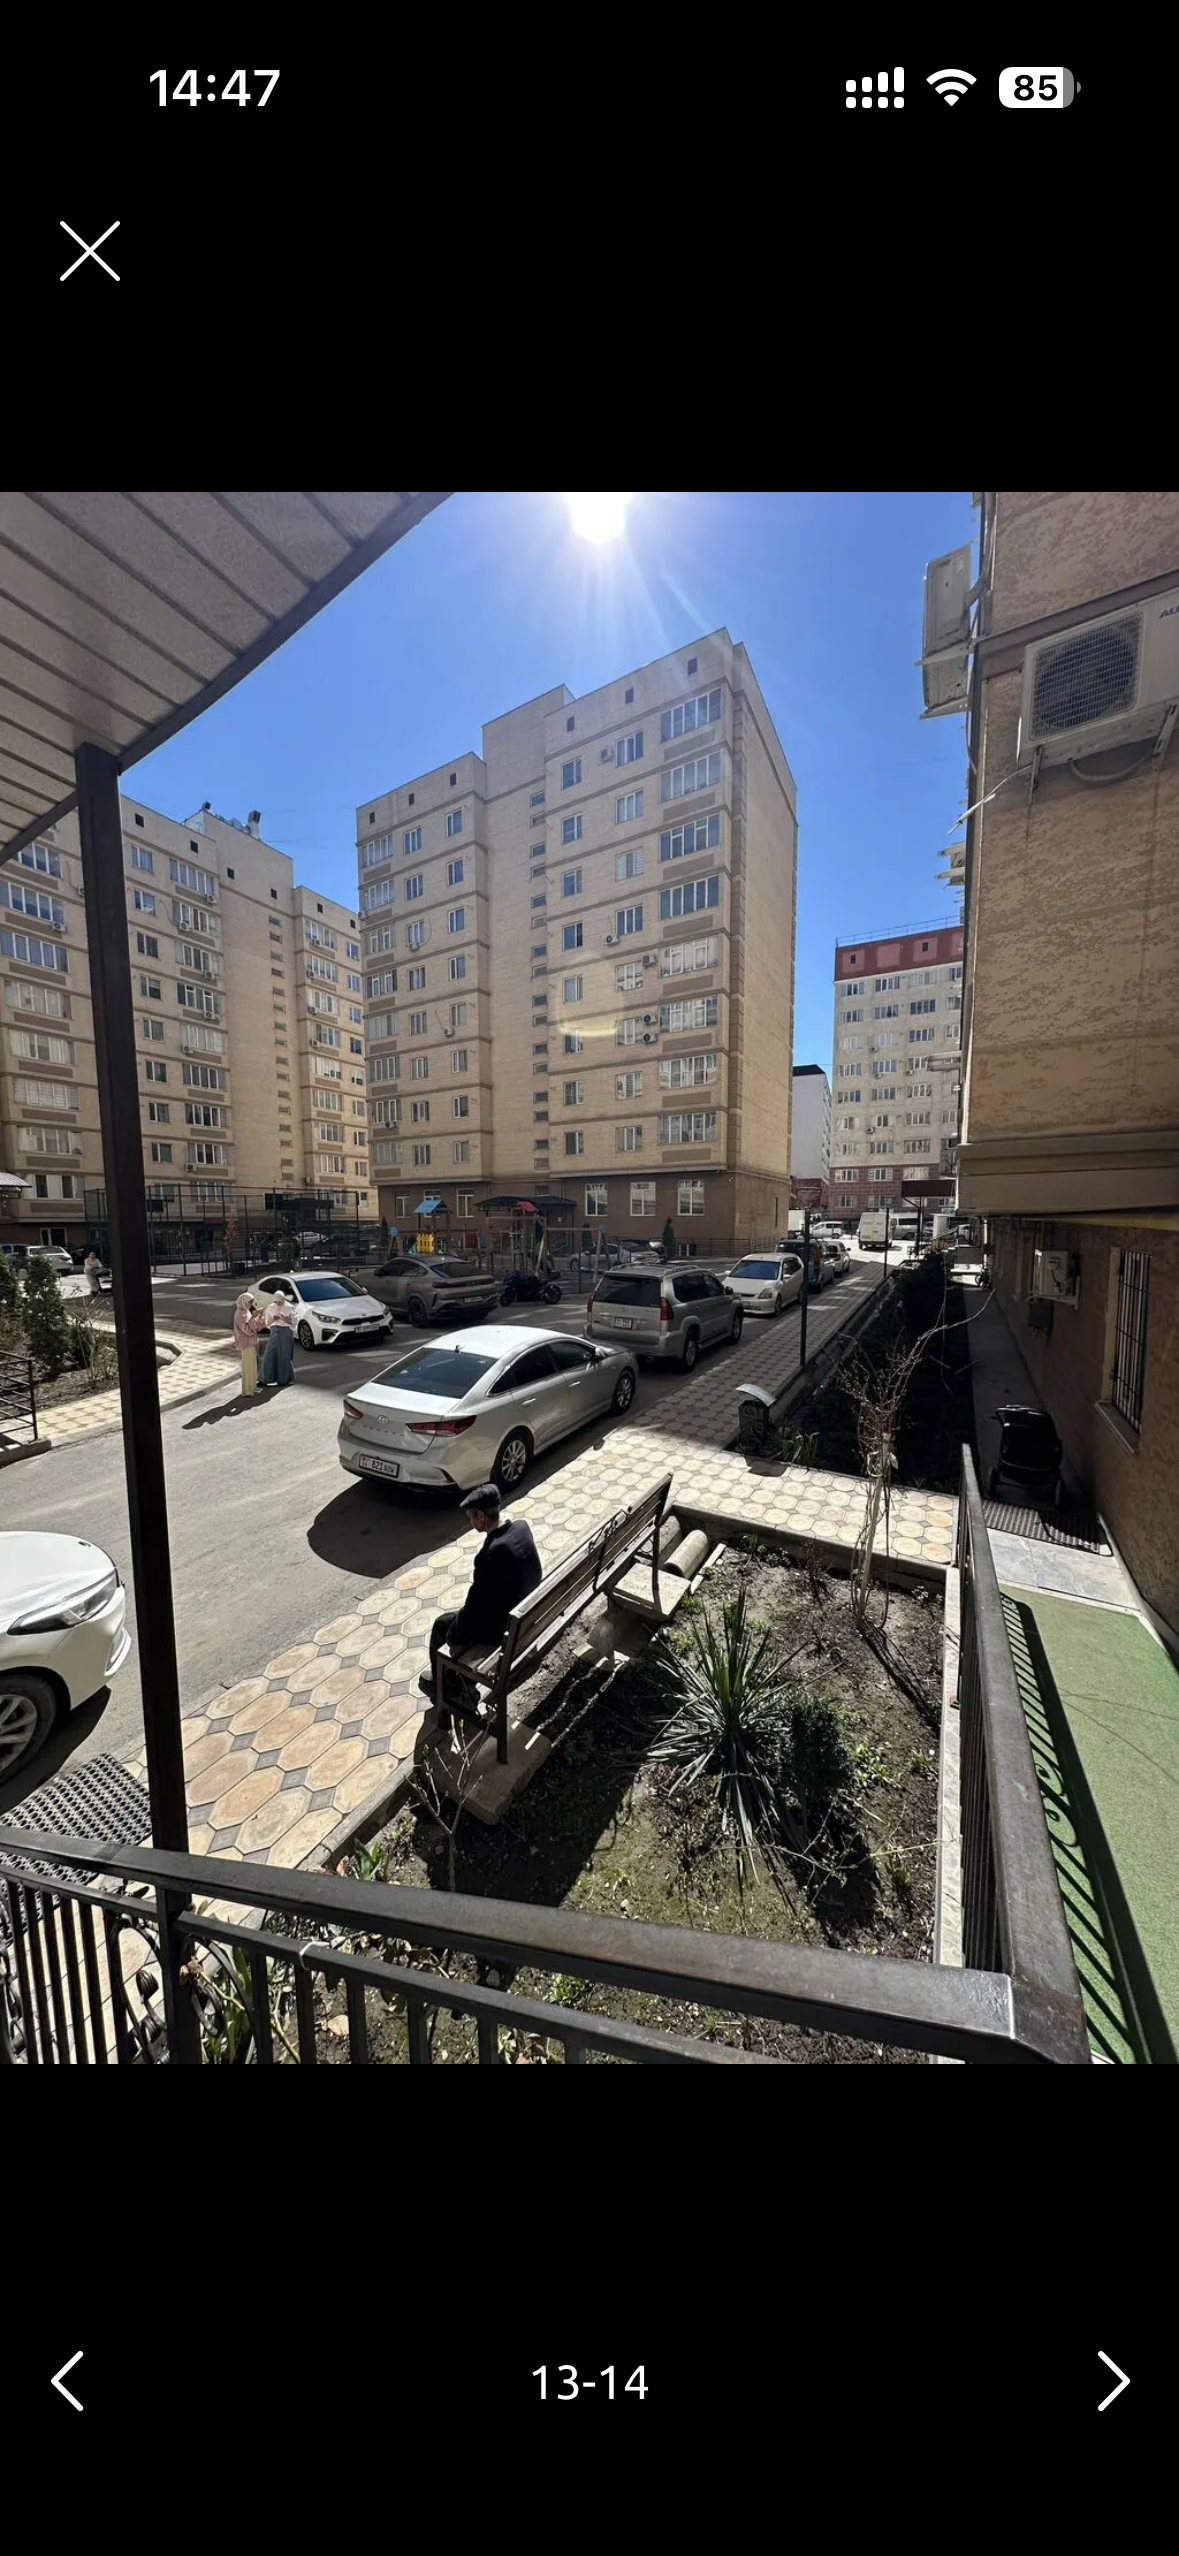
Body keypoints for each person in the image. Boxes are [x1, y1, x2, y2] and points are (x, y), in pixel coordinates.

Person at [418, 1485, 542, 1723]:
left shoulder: (490, 1555)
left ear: (482, 1517)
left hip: (504, 1631)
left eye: (471, 1517)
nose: (470, 1522)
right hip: (526, 1612)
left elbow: (473, 1611)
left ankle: (445, 1690)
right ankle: (460, 1683)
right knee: (457, 1623)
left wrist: (453, 1634)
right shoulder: (521, 1528)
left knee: (442, 1626)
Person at [232, 1288, 265, 1397]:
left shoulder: (246, 1311)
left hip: (251, 1342)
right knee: (248, 1367)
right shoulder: (240, 1313)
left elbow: (255, 1326)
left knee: (253, 1366)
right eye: (250, 1302)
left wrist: (258, 1316)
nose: (251, 1304)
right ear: (244, 1301)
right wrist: (253, 1317)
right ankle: (247, 1390)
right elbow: (247, 1330)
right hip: (246, 1344)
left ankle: (253, 1388)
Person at [260, 1286, 296, 1387]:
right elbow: (267, 1322)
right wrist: (273, 1319)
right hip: (274, 1331)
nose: (278, 1304)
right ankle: (265, 1378)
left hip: (285, 1332)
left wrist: (286, 1319)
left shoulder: (289, 1307)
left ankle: (284, 1380)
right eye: (276, 1302)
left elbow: (294, 1321)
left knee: (284, 1356)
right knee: (269, 1355)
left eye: (280, 1302)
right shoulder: (270, 1307)